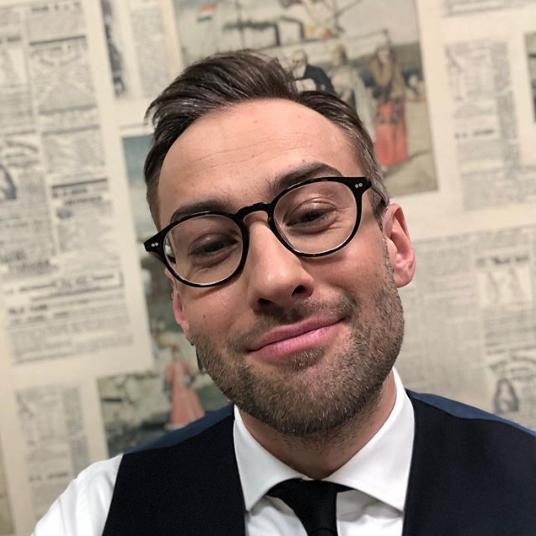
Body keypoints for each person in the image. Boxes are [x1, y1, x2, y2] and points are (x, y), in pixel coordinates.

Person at [33, 51, 535, 536]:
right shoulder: (95, 518)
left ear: (395, 245)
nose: (274, 278)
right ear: (180, 304)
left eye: (312, 215)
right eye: (212, 245)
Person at [369, 42, 408, 168]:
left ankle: (400, 156)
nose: (384, 54)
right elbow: (383, 82)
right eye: (381, 51)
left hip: (397, 97)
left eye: (386, 50)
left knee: (400, 126)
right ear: (377, 53)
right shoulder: (377, 64)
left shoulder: (393, 61)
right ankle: (387, 158)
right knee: (387, 129)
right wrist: (387, 65)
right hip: (386, 100)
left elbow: (399, 80)